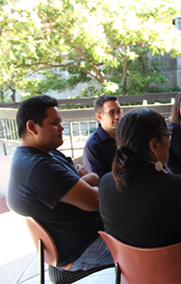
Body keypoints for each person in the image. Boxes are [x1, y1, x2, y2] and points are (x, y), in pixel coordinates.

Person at [99, 108, 181, 284]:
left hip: (135, 276)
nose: (170, 143)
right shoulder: (179, 189)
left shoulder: (107, 183)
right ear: (154, 146)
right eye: (167, 136)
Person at [7, 95, 113, 272]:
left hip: (86, 235)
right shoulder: (38, 167)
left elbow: (78, 179)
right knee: (152, 239)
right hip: (83, 248)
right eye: (54, 123)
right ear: (32, 127)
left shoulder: (44, 154)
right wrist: (91, 178)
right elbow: (95, 200)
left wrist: (83, 181)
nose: (62, 128)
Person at [83, 95, 122, 178]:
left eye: (118, 111)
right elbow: (98, 180)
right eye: (112, 113)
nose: (117, 116)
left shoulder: (126, 136)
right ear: (99, 117)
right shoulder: (92, 146)